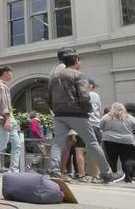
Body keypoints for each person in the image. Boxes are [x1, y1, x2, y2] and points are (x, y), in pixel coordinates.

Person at [46, 51, 123, 184]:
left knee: (57, 143)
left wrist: (56, 110)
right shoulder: (79, 75)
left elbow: (48, 98)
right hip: (77, 114)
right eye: (79, 61)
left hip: (60, 115)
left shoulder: (54, 77)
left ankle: (55, 171)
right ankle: (107, 174)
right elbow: (84, 95)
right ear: (76, 61)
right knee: (92, 143)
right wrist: (86, 110)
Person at [100, 102, 135, 182]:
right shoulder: (129, 117)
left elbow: (100, 125)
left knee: (111, 159)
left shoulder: (107, 116)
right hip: (127, 141)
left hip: (110, 141)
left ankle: (111, 177)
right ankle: (128, 177)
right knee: (127, 159)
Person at [86, 79, 103, 182]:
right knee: (95, 151)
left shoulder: (80, 94)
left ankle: (82, 174)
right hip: (95, 125)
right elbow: (99, 110)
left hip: (83, 125)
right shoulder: (95, 95)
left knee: (80, 151)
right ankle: (95, 176)